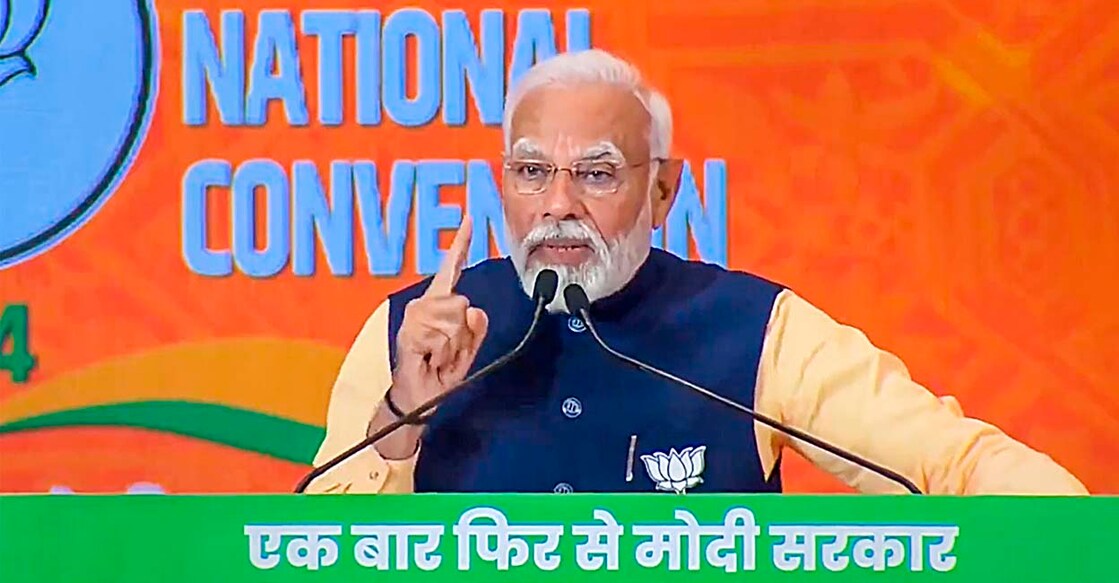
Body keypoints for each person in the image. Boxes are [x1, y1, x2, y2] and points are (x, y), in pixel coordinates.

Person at [305, 49, 1086, 495]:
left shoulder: (755, 330)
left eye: (597, 174)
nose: (558, 205)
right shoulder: (414, 331)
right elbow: (309, 551)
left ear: (663, 189)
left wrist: (1083, 540)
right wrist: (402, 414)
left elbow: (954, 464)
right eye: (532, 171)